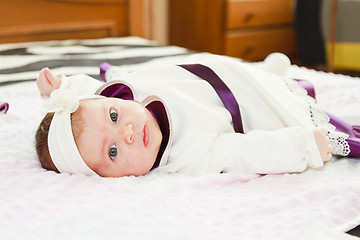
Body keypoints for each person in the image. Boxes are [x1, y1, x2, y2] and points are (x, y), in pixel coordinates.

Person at [35, 53, 353, 178]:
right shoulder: (188, 157)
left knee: (246, 72)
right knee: (271, 98)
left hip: (212, 71)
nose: (128, 132)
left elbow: (83, 94)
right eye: (113, 151)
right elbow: (245, 153)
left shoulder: (116, 91)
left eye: (115, 116)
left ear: (111, 99)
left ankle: (267, 72)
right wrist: (301, 146)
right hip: (237, 100)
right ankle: (272, 78)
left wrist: (57, 88)